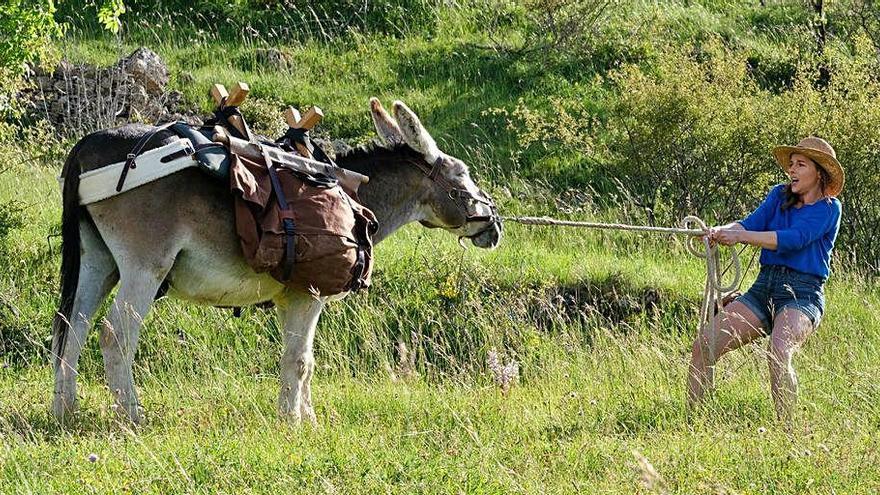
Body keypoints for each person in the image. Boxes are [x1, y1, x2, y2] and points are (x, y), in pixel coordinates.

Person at [687, 136, 844, 421]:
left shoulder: (830, 209)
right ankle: (695, 423)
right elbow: (749, 224)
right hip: (764, 287)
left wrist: (741, 236)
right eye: (791, 165)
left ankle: (788, 434)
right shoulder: (778, 195)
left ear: (819, 172)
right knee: (704, 344)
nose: (791, 171)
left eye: (800, 165)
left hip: (803, 294)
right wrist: (722, 230)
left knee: (779, 350)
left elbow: (795, 239)